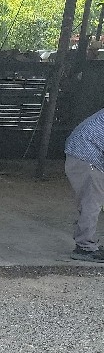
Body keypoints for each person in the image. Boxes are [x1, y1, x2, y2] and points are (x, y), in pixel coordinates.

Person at [64, 106, 104, 261]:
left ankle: (86, 241)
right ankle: (84, 248)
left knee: (90, 201)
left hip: (82, 153)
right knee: (91, 202)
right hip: (86, 156)